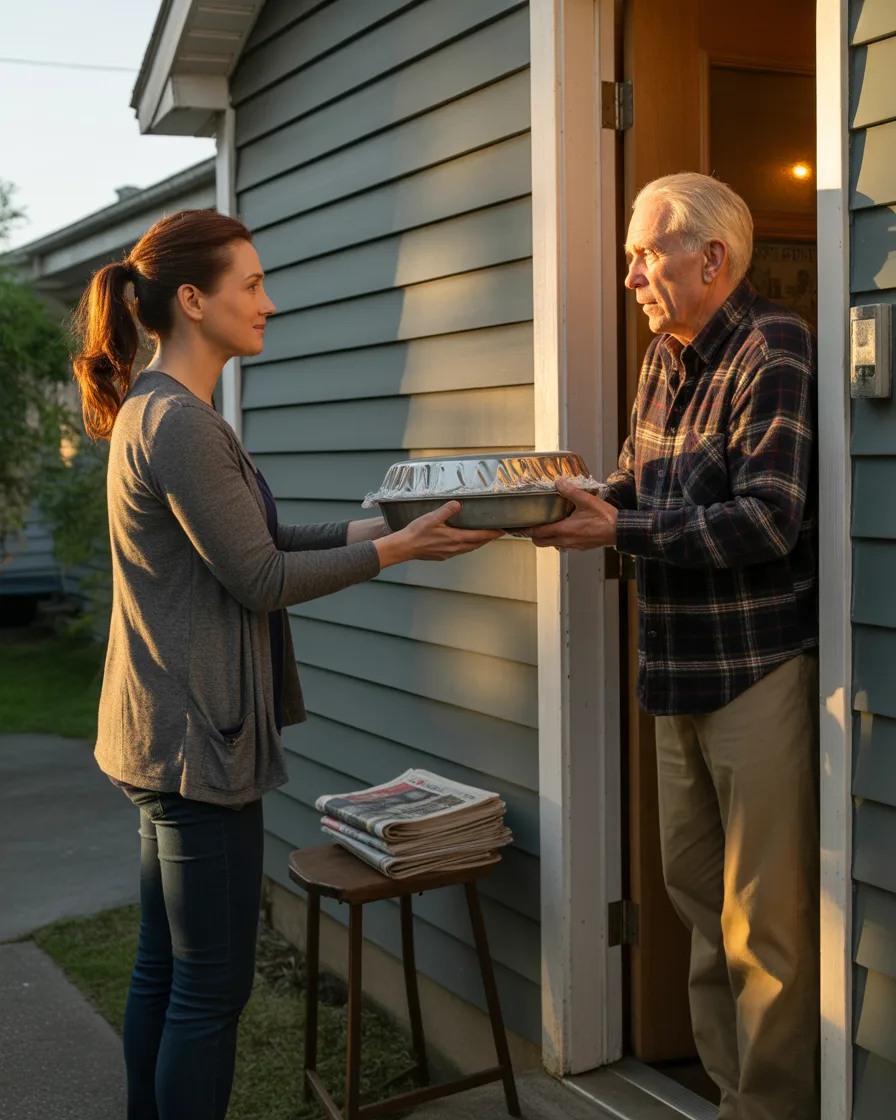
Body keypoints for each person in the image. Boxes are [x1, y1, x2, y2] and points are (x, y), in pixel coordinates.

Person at [71, 208, 502, 1120]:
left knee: (165, 969)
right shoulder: (180, 424)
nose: (269, 303)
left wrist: (390, 528)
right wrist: (396, 553)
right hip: (196, 744)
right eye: (253, 284)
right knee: (209, 989)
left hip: (163, 734)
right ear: (194, 301)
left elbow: (254, 542)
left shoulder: (160, 409)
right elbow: (262, 578)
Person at [527, 173, 818, 1120]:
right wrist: (567, 500)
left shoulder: (775, 348)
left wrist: (618, 528)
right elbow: (634, 481)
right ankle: (734, 1095)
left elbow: (768, 519)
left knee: (764, 923)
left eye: (644, 255)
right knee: (695, 898)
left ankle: (770, 1110)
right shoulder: (664, 355)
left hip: (756, 669)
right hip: (674, 665)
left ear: (712, 258)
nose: (630, 279)